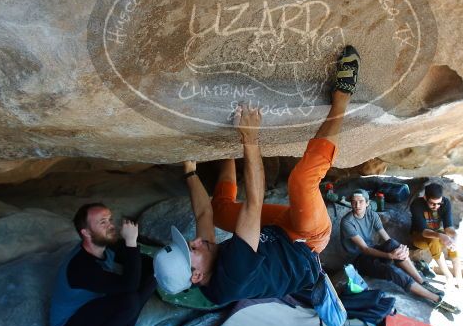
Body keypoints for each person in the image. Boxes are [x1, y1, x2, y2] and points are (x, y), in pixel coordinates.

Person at [153, 46, 360, 305]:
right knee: (302, 180)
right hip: (307, 241)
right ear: (196, 275)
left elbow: (204, 214)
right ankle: (342, 97)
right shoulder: (234, 275)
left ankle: (228, 156)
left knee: (218, 210)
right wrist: (249, 136)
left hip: (278, 234)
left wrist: (191, 170)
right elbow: (254, 201)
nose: (194, 242)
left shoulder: (203, 265)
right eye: (191, 250)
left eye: (189, 243)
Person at [49, 203, 156, 326]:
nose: (111, 225)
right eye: (102, 222)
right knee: (128, 301)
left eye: (110, 219)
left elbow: (144, 265)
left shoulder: (107, 245)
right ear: (86, 233)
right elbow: (129, 285)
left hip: (94, 306)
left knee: (151, 276)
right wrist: (131, 242)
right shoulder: (80, 267)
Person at [340, 189, 459, 314]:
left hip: (372, 250)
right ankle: (436, 299)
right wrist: (389, 255)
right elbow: (364, 249)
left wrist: (400, 249)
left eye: (361, 202)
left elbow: (387, 239)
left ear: (367, 203)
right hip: (358, 259)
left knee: (393, 245)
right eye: (354, 202)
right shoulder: (347, 221)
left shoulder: (372, 215)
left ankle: (422, 282)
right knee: (392, 271)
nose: (357, 205)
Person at [410, 183, 463, 287]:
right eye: (432, 204)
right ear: (425, 198)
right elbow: (424, 231)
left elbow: (448, 227)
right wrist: (440, 236)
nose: (436, 206)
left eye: (439, 203)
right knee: (434, 240)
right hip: (419, 237)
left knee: (451, 238)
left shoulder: (445, 202)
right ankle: (448, 276)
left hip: (437, 232)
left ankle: (458, 276)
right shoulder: (416, 204)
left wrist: (455, 237)